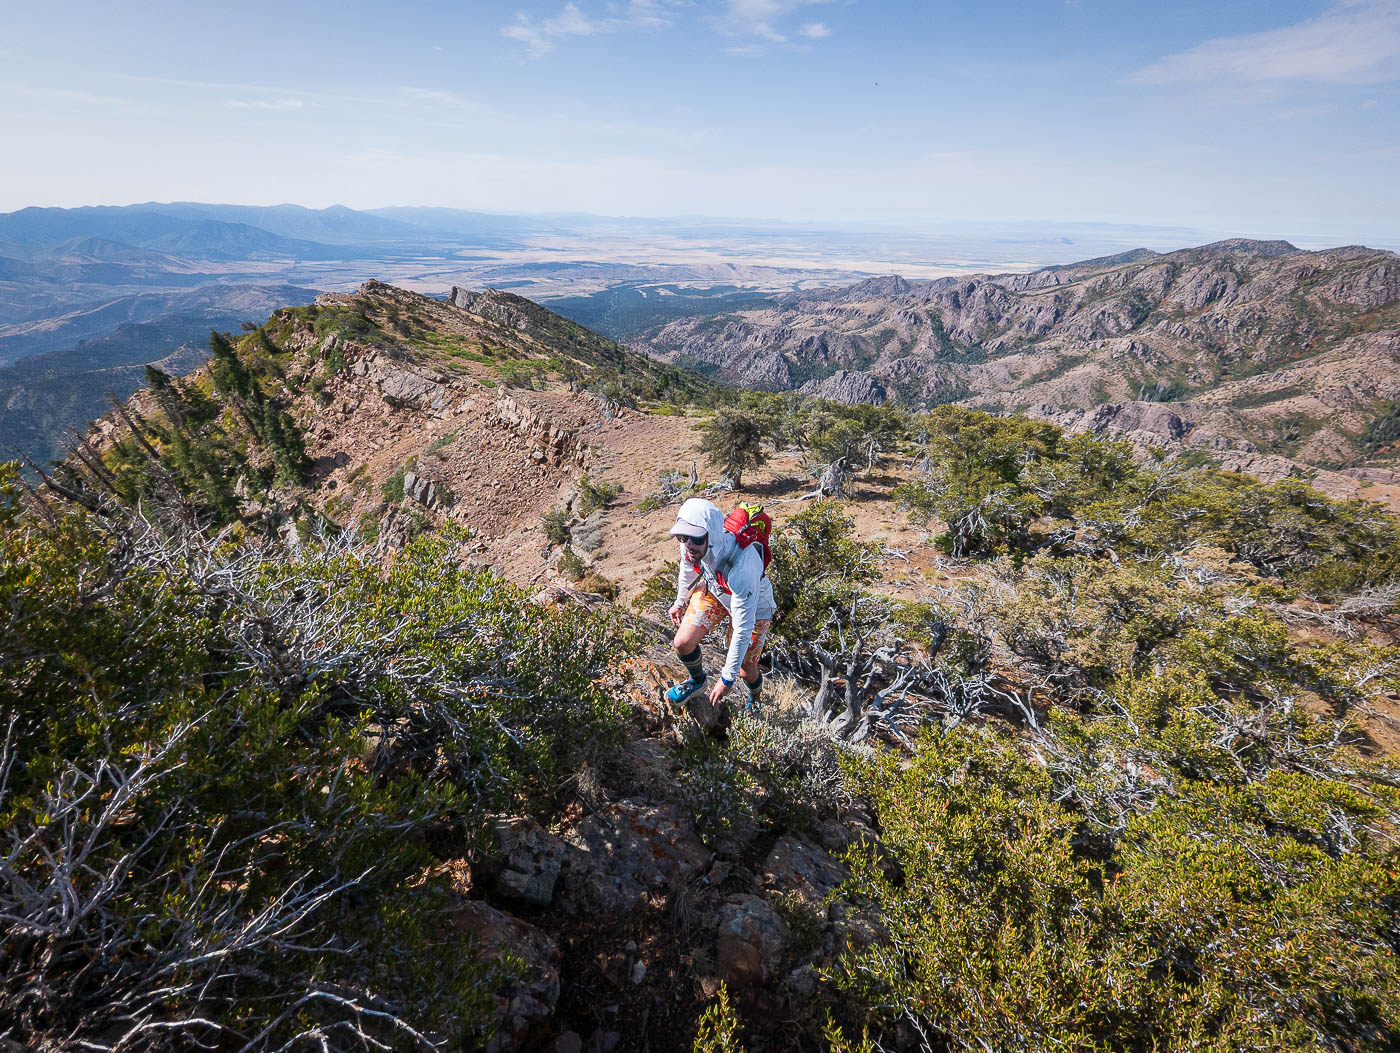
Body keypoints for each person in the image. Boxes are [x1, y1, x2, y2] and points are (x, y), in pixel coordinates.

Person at [665, 497, 777, 720]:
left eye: (696, 538)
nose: (688, 544)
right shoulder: (690, 545)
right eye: (682, 536)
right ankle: (697, 682)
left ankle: (754, 698)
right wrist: (679, 602)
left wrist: (727, 678)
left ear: (712, 536)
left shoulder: (743, 567)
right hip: (717, 590)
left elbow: (743, 628)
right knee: (682, 643)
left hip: (754, 609)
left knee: (745, 669)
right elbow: (687, 568)